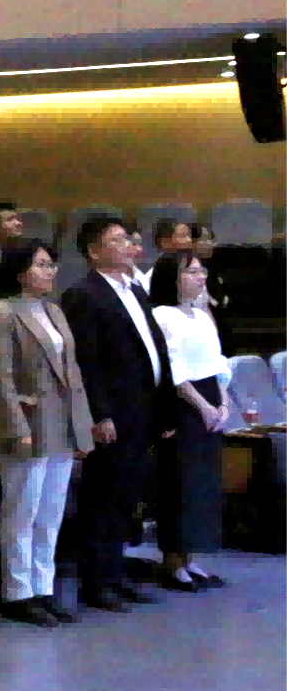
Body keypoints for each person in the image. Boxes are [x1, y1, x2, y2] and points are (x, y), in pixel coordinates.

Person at [61, 216, 174, 613]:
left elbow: (153, 349)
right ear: (94, 251)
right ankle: (96, 582)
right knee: (103, 497)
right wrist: (99, 414)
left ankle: (115, 574)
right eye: (118, 240)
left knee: (127, 496)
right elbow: (86, 361)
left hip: (143, 407)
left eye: (128, 238)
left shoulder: (135, 289)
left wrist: (164, 407)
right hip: (113, 412)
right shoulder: (83, 294)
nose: (129, 245)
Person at [0, 242, 93, 627]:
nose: (50, 271)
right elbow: (1, 379)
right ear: (20, 271)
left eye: (51, 264)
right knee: (21, 511)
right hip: (28, 423)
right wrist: (16, 427)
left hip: (61, 422)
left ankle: (43, 587)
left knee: (51, 512)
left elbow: (72, 372)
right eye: (41, 264)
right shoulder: (1, 313)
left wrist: (82, 425)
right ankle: (17, 591)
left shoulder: (53, 310)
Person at [148, 251, 228, 592]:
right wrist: (203, 406)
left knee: (202, 486)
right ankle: (172, 561)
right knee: (179, 484)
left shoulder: (202, 315)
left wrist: (222, 402)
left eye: (201, 271)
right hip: (183, 403)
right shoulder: (162, 315)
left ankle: (190, 556)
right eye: (192, 271)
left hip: (211, 396)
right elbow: (174, 368)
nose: (200, 276)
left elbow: (218, 361)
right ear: (173, 278)